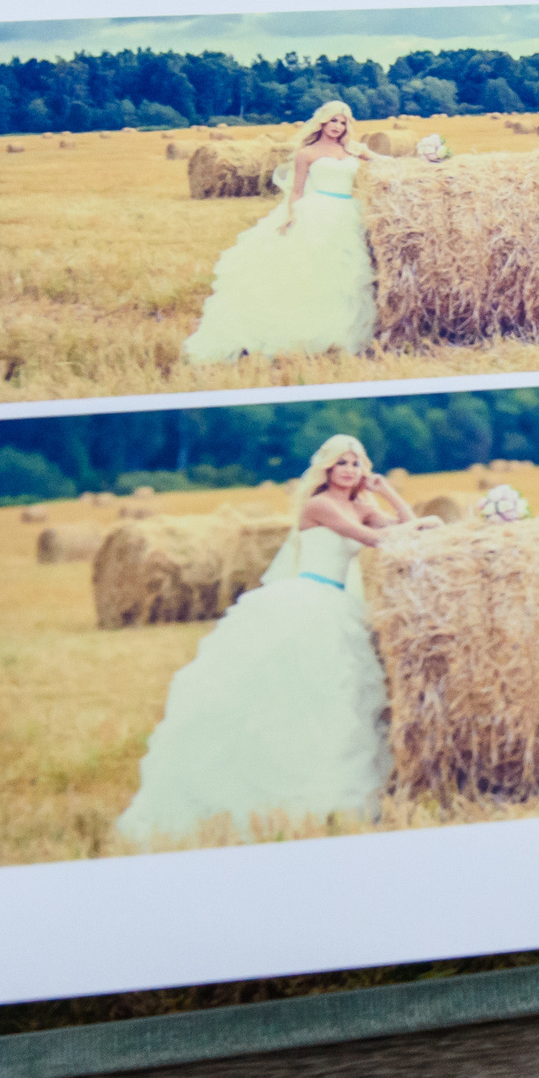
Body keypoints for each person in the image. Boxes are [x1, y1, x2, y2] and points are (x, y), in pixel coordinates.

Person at [113, 434, 435, 847]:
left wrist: (388, 492)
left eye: (356, 464)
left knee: (342, 698)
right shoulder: (319, 506)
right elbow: (376, 540)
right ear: (328, 470)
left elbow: (405, 529)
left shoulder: (362, 505)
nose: (350, 470)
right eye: (342, 464)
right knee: (295, 695)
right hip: (307, 600)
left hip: (339, 606)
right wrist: (424, 523)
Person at [181, 100, 378, 365]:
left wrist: (429, 156)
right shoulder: (306, 153)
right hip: (317, 210)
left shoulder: (351, 150)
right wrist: (291, 216)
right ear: (322, 121)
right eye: (333, 120)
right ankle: (302, 334)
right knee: (308, 272)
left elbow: (386, 162)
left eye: (343, 122)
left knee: (347, 275)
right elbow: (296, 190)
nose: (338, 126)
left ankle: (340, 333)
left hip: (347, 213)